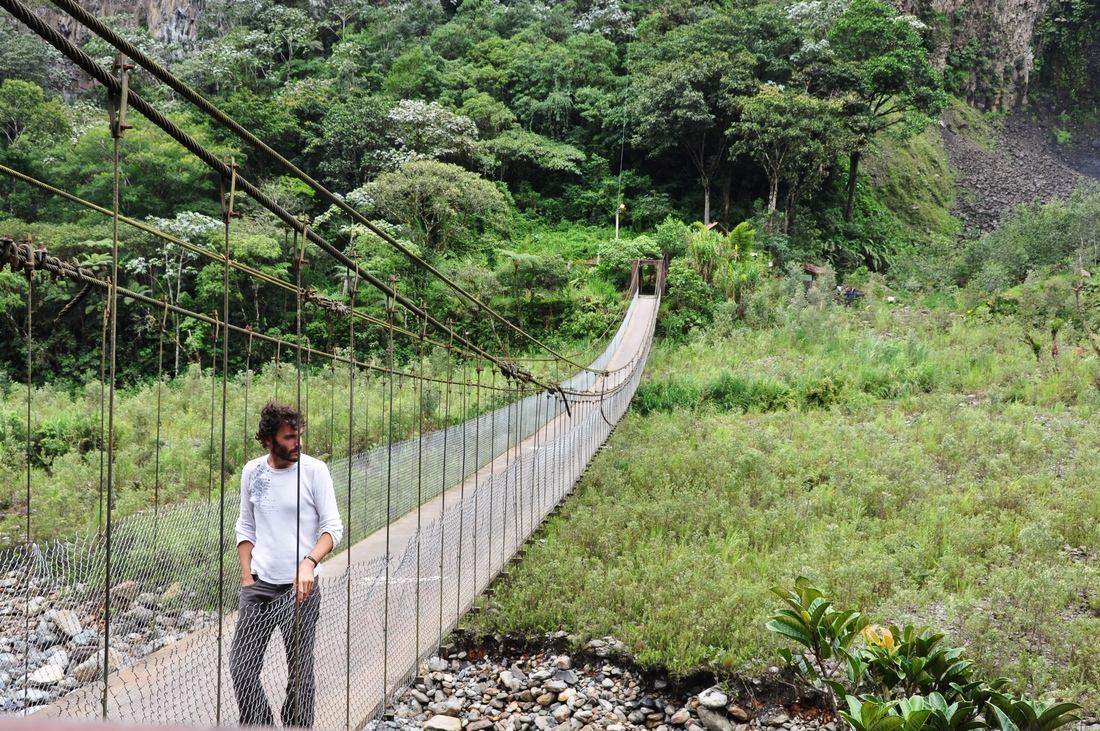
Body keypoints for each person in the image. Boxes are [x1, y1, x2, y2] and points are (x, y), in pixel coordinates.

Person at [230, 401, 343, 727]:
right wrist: (246, 576)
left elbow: (332, 528)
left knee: (299, 673)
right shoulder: (253, 472)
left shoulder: (314, 471)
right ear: (268, 440)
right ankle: (260, 725)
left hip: (301, 591)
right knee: (242, 666)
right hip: (260, 586)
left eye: (299, 435)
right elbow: (245, 526)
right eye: (290, 437)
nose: (298, 443)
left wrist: (309, 562)